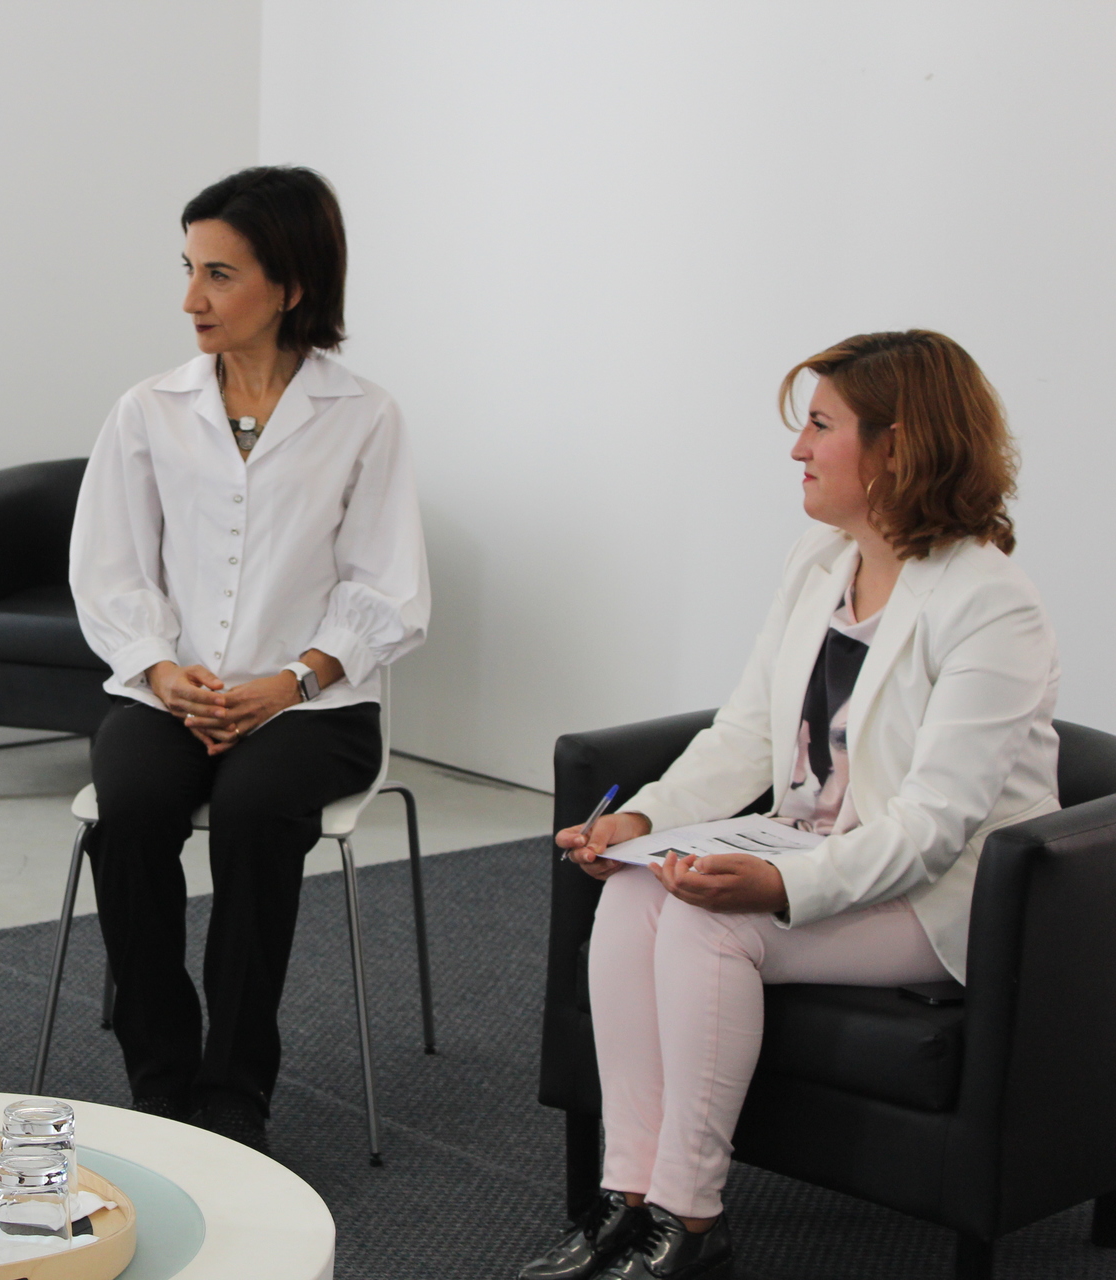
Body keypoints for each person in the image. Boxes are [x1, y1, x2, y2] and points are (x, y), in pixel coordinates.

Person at [521, 330, 1058, 1280]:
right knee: (636, 889)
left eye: (820, 425)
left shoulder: (990, 605)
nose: (798, 448)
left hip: (938, 893)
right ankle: (629, 1197)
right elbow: (746, 733)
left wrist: (776, 887)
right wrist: (641, 820)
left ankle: (691, 1221)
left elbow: (933, 825)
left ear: (897, 446)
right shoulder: (820, 561)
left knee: (708, 926)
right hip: (806, 840)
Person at [69, 166, 430, 1152]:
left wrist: (292, 679)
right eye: (188, 269)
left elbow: (387, 586)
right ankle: (162, 1075)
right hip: (170, 692)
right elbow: (109, 569)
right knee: (132, 811)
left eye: (219, 274)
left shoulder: (365, 416)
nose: (191, 297)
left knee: (254, 814)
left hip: (316, 704)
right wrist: (159, 669)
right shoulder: (147, 409)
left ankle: (235, 1088)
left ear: (292, 285)